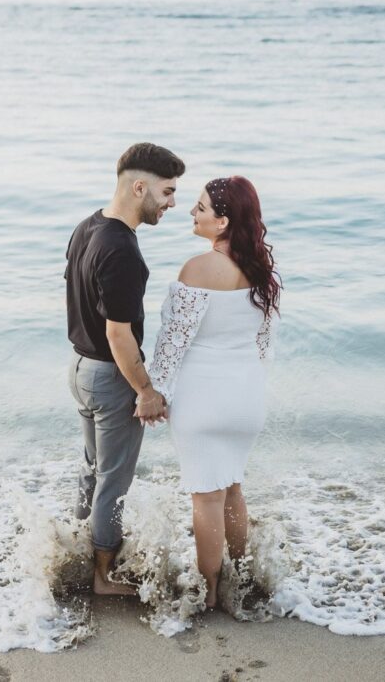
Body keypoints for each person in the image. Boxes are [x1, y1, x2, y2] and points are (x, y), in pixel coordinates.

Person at [148, 176, 279, 609]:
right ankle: (240, 578)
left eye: (201, 208)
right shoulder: (261, 272)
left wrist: (154, 392)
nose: (192, 212)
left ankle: (207, 594)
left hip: (203, 398)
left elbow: (172, 343)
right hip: (246, 397)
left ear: (222, 222)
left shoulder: (197, 268)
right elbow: (263, 343)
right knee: (233, 486)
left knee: (206, 494)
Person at [65, 143, 186, 595]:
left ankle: (82, 547)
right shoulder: (122, 252)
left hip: (79, 368)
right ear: (140, 187)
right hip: (109, 375)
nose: (173, 203)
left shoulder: (87, 227)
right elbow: (120, 336)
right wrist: (146, 390)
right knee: (113, 481)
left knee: (93, 470)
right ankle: (102, 575)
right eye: (167, 192)